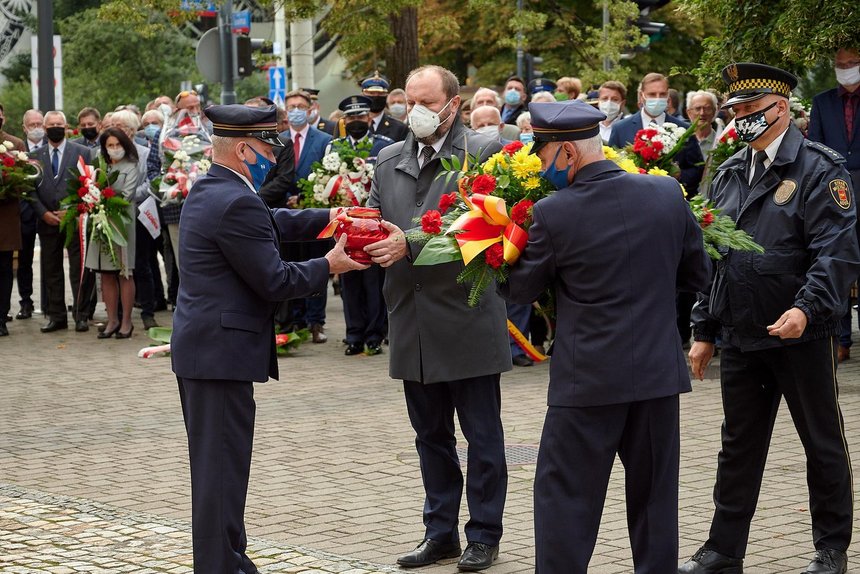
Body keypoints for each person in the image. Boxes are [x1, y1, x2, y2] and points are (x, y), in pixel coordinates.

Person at [498, 99, 710, 574]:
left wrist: (494, 255)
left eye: (544, 154)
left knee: (566, 499)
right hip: (656, 375)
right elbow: (699, 273)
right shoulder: (666, 195)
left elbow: (521, 288)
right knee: (655, 501)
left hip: (587, 381)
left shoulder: (553, 213)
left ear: (569, 153)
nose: (540, 164)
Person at [680, 63, 860, 574]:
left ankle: (831, 549)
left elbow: (837, 251)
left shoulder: (821, 168)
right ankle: (723, 550)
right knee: (737, 447)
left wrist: (806, 308)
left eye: (749, 110)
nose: (740, 119)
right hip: (742, 331)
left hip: (801, 332)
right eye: (734, 111)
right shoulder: (733, 169)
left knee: (822, 443)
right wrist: (703, 330)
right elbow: (710, 254)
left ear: (780, 108)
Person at [171, 104, 365, 574]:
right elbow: (275, 280)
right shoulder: (235, 199)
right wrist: (331, 266)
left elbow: (271, 220)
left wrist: (332, 215)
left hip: (207, 352)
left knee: (222, 470)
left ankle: (229, 559)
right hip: (220, 356)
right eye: (266, 146)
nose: (273, 156)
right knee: (220, 475)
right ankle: (220, 566)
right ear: (242, 148)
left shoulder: (214, 187)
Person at [365, 64, 510, 572]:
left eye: (428, 102)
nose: (417, 111)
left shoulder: (485, 153)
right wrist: (358, 233)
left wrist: (411, 242)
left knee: (483, 436)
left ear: (454, 105)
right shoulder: (388, 159)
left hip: (466, 315)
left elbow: (483, 227)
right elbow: (376, 215)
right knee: (430, 437)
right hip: (412, 316)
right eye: (410, 101)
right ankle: (440, 531)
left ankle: (484, 533)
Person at [330, 95, 394, 356]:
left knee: (373, 282)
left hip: (374, 227)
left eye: (361, 117)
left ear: (370, 118)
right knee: (349, 282)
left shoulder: (385, 147)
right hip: (346, 228)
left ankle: (374, 335)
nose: (357, 122)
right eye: (351, 118)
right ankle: (353, 334)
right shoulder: (333, 148)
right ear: (345, 121)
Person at [808, 47, 860, 363]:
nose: (845, 69)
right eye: (840, 65)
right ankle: (840, 339)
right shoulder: (823, 102)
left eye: (852, 63)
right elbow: (814, 145)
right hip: (836, 189)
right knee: (837, 261)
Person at [31, 110, 96, 333]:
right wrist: (43, 213)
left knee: (79, 270)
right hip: (47, 221)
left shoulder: (83, 152)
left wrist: (76, 211)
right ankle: (57, 316)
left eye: (60, 123)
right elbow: (29, 190)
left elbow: (90, 185)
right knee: (51, 270)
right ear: (45, 128)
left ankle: (81, 315)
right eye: (51, 125)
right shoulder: (35, 156)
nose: (55, 127)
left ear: (67, 127)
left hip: (75, 220)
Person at [280, 89, 334, 342]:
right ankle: (296, 318)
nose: (296, 111)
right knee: (291, 267)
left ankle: (316, 322)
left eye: (301, 106)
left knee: (318, 263)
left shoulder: (324, 139)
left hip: (314, 213)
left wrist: (306, 198)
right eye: (291, 106)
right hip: (285, 214)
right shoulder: (278, 140)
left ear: (311, 109)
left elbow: (328, 174)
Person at [86, 128, 139, 339]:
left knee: (124, 272)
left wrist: (105, 198)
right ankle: (112, 320)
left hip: (122, 224)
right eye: (110, 145)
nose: (114, 149)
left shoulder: (131, 165)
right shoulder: (99, 164)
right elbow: (89, 186)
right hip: (100, 222)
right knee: (106, 273)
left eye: (118, 145)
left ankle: (126, 321)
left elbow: (127, 194)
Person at [686, 90, 723, 195]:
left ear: (715, 111)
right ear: (689, 112)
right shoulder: (679, 144)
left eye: (707, 108)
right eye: (697, 109)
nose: (702, 113)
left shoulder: (722, 143)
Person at [360, 71, 410, 142]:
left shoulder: (400, 128)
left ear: (386, 95)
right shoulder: (351, 125)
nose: (376, 96)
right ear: (362, 95)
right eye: (371, 93)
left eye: (380, 93)